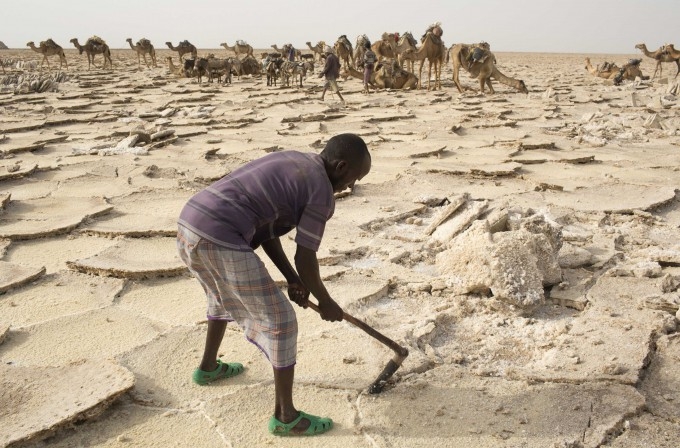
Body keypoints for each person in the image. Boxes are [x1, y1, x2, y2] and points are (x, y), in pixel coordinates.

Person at [176, 133, 371, 436]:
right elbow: (306, 255)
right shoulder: (321, 191)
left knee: (219, 295)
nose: (351, 187)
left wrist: (293, 279)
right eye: (353, 179)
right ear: (342, 166)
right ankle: (286, 417)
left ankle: (209, 368)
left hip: (190, 223)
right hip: (220, 235)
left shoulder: (296, 160)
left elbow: (268, 230)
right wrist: (327, 301)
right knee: (281, 321)